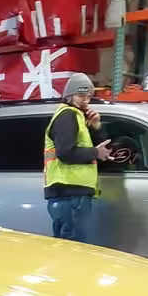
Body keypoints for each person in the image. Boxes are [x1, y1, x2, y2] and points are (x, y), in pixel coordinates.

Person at [43, 73, 112, 243]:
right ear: (69, 95)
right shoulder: (67, 115)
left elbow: (102, 147)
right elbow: (65, 153)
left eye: (89, 97)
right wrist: (96, 153)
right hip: (69, 194)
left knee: (72, 249)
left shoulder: (78, 117)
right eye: (81, 96)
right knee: (75, 250)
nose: (86, 101)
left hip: (73, 194)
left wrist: (96, 127)